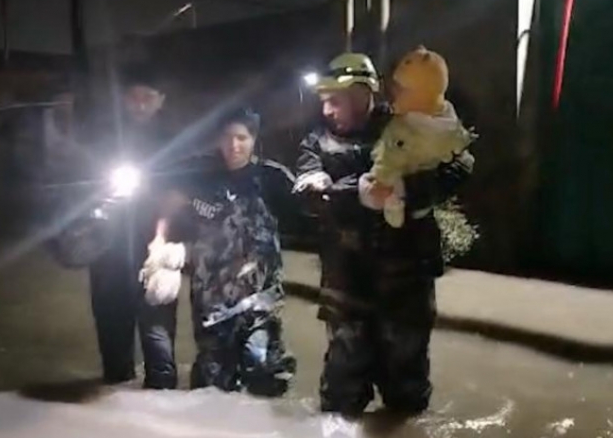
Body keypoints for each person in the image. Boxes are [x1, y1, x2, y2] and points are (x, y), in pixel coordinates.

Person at [293, 52, 473, 416]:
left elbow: (460, 163)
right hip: (346, 281)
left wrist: (406, 190)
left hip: (405, 279)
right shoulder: (316, 143)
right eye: (324, 101)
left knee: (406, 386)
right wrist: (349, 192)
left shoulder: (408, 125)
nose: (327, 111)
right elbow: (310, 196)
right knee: (342, 388)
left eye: (335, 101)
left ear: (363, 94)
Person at [142, 107, 297, 396]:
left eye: (242, 138)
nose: (233, 145)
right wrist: (159, 243)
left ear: (254, 140)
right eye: (227, 137)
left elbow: (309, 214)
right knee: (212, 385)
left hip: (260, 298)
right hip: (211, 299)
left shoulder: (272, 178)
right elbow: (167, 205)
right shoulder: (198, 174)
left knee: (262, 366)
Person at [85, 65, 179, 389]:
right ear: (123, 99)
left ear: (161, 100)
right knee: (112, 329)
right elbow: (82, 184)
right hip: (108, 251)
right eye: (134, 97)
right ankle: (115, 393)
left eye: (147, 97)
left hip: (156, 250)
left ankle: (163, 399)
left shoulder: (174, 142)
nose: (140, 104)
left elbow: (182, 195)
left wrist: (165, 238)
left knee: (158, 335)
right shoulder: (103, 137)